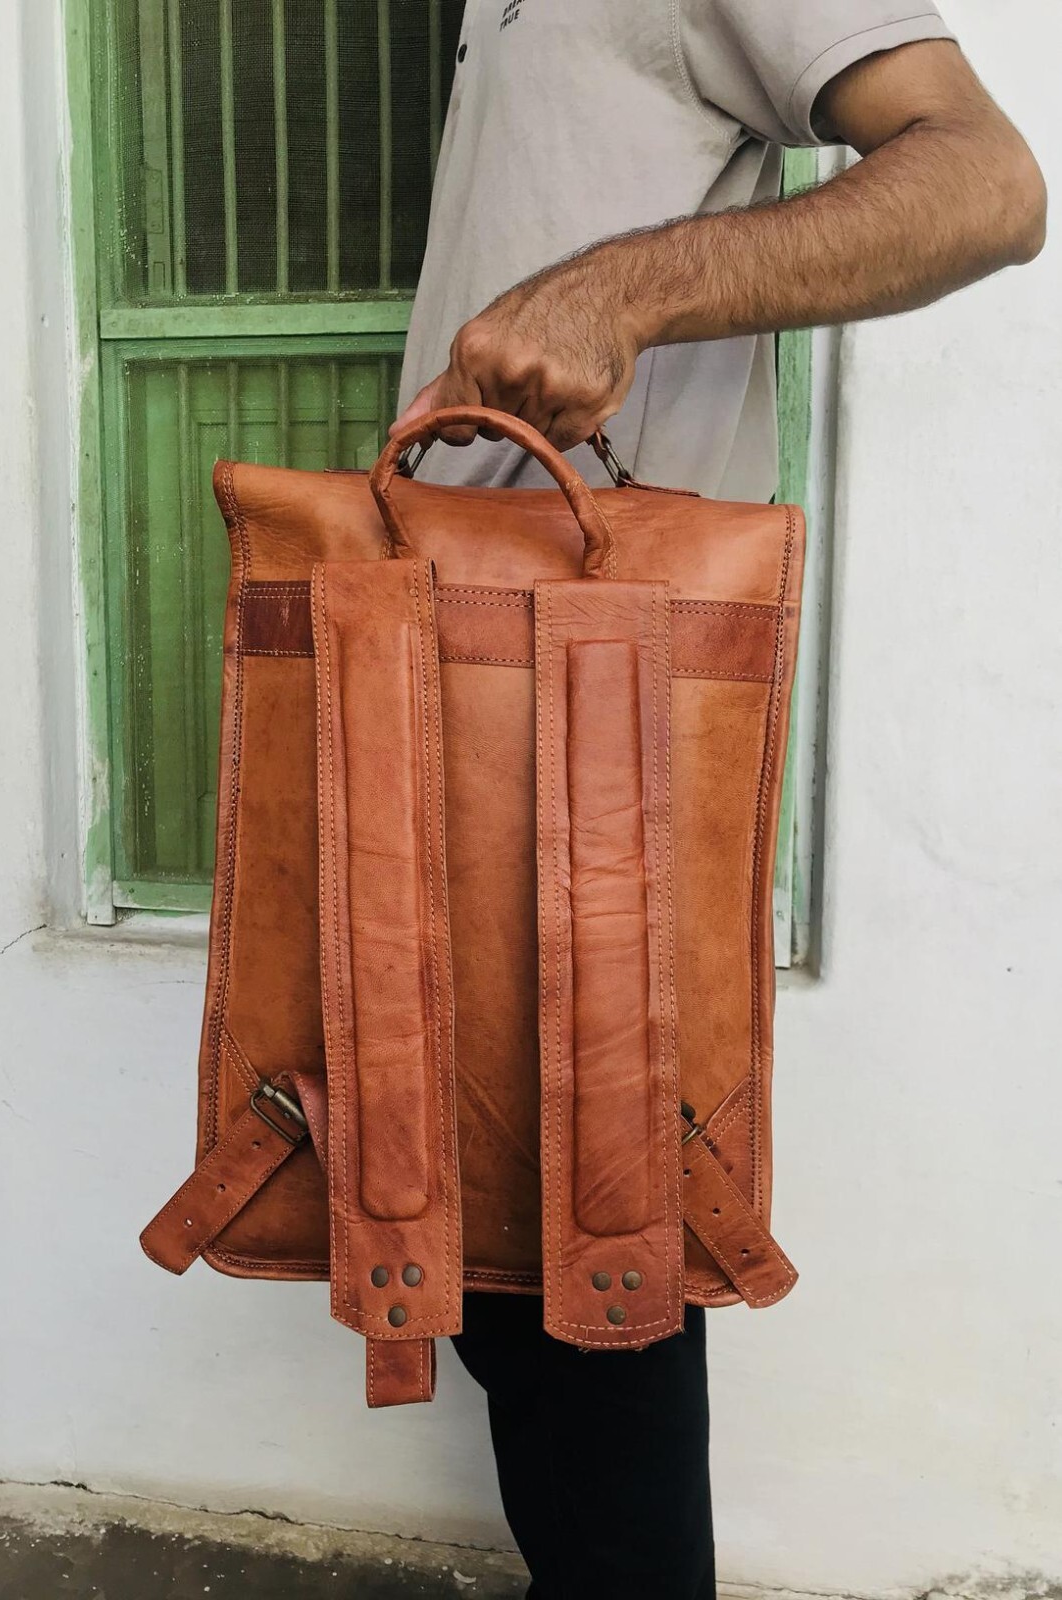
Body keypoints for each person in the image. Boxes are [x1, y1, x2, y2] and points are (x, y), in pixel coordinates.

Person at [391, 6, 1046, 1598]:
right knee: (497, 1260)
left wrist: (616, 290)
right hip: (451, 672)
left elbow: (985, 181)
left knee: (596, 1247)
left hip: (590, 694)